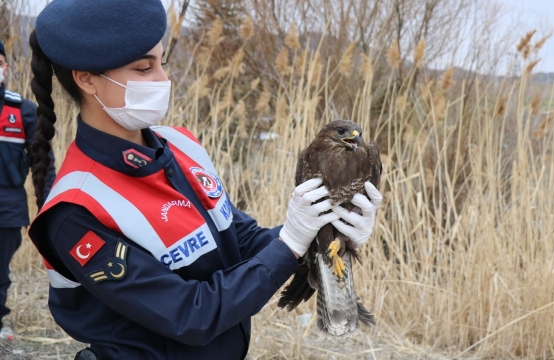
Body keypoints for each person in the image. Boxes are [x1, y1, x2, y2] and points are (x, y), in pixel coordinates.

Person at [26, 1, 382, 359]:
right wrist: (290, 242)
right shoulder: (76, 209)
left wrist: (323, 230)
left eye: (162, 63)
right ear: (86, 79)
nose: (163, 80)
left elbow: (240, 243)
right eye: (143, 68)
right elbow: (191, 315)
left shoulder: (181, 145)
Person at [0, 40, 56, 337]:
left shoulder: (22, 111)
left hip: (7, 207)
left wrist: (48, 207)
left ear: (6, 67)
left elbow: (42, 163)